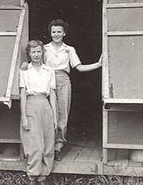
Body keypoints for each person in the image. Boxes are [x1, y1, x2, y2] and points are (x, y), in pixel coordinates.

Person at [22, 19, 102, 161]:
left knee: (62, 112)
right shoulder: (45, 48)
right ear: (50, 33)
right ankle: (47, 145)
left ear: (64, 33)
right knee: (49, 113)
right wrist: (24, 65)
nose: (56, 34)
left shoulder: (69, 49)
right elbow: (35, 63)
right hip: (46, 81)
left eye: (59, 31)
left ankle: (59, 145)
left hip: (63, 81)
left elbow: (79, 67)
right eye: (53, 32)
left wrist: (98, 64)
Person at [19, 40, 57, 185]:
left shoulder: (49, 71)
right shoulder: (25, 71)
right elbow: (23, 93)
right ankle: (32, 177)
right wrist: (24, 117)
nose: (36, 55)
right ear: (29, 54)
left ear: (43, 53)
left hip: (45, 105)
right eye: (33, 52)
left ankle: (43, 177)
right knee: (34, 144)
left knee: (48, 143)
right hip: (31, 105)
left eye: (39, 51)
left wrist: (54, 116)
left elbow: (52, 94)